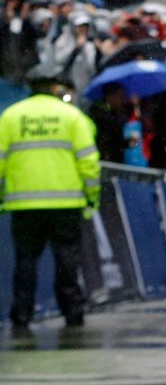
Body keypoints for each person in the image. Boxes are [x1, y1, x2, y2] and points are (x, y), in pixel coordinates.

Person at [0, 63, 101, 334]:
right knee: (67, 262)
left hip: (23, 205)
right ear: (55, 87)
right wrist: (92, 197)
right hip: (66, 204)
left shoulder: (10, 117)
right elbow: (89, 162)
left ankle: (21, 316)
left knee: (25, 263)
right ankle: (73, 313)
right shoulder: (71, 117)